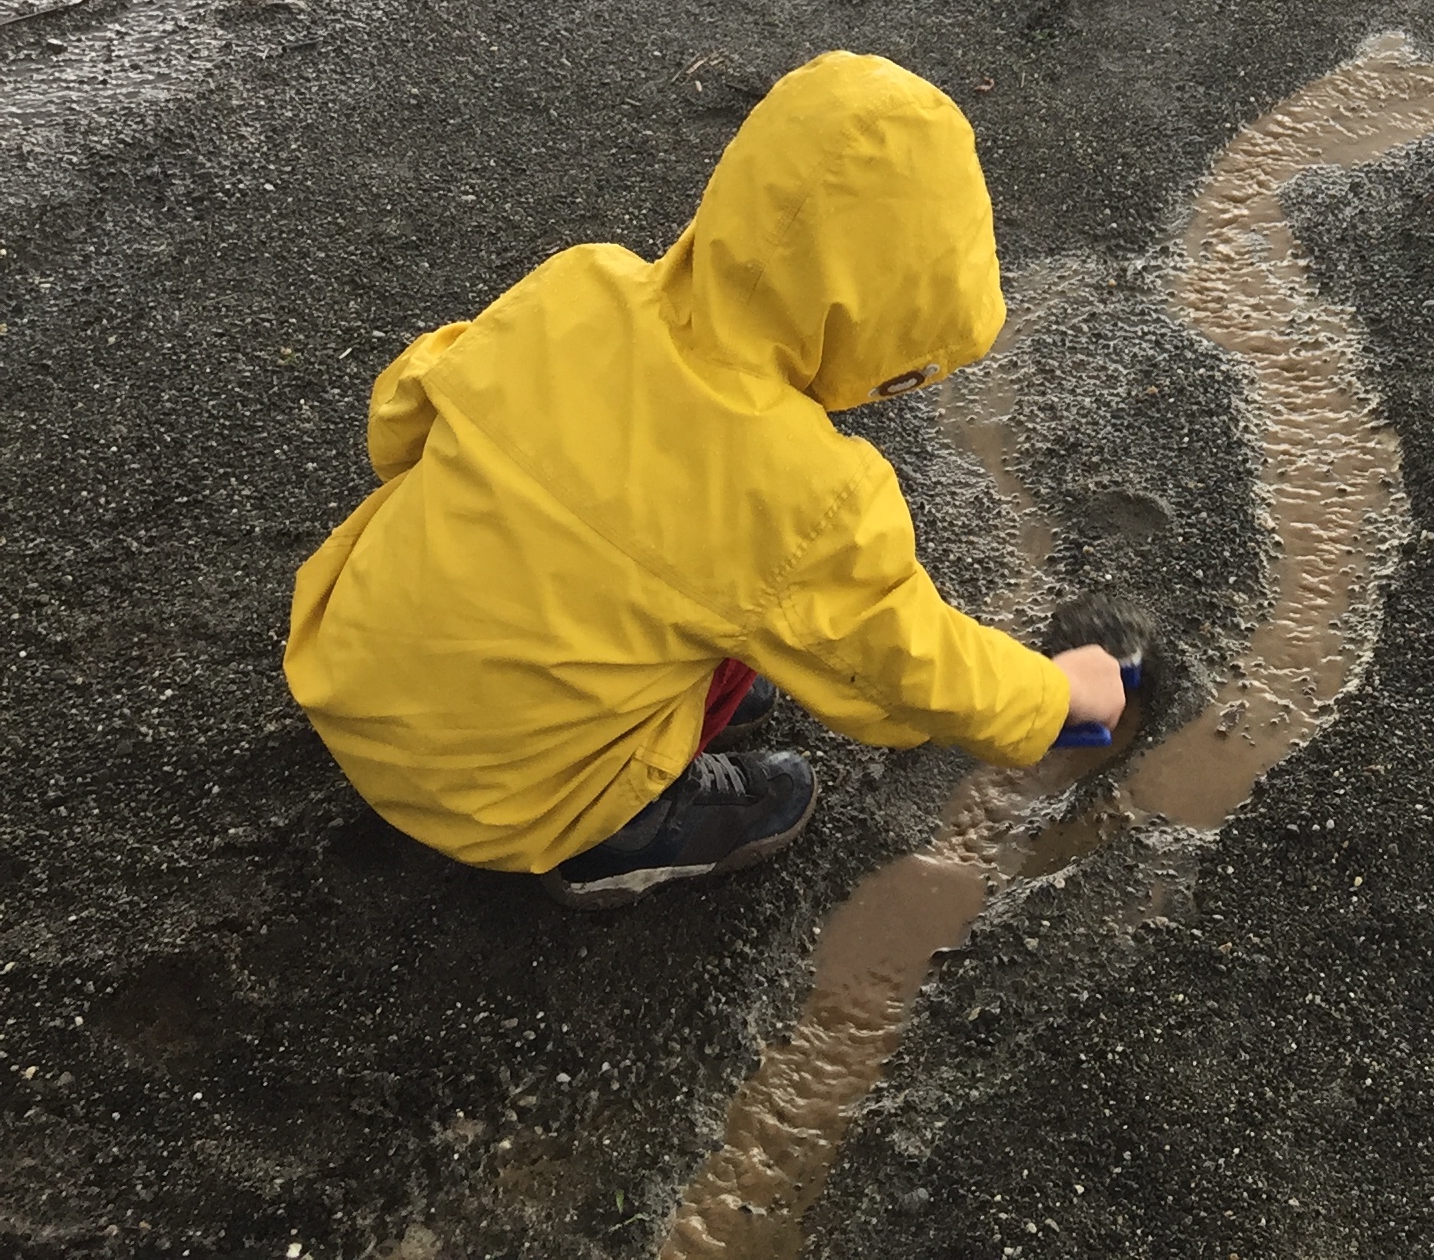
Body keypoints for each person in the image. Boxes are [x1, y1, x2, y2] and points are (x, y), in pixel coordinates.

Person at [285, 51, 1125, 910]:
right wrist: (1052, 696)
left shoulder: (583, 285)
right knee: (764, 614)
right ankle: (623, 834)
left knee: (677, 587)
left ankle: (581, 668)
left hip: (345, 675)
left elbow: (400, 415)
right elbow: (900, 669)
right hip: (500, 798)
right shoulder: (801, 496)